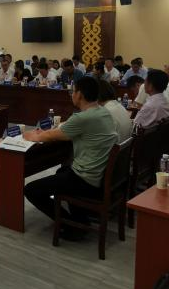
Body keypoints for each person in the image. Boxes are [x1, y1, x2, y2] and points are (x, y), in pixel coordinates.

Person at [22, 77, 117, 232]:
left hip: (85, 179)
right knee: (62, 171)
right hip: (98, 174)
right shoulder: (103, 111)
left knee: (30, 189)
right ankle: (79, 217)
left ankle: (71, 226)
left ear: (79, 95)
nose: (71, 95)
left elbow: (50, 136)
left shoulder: (83, 118)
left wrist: (31, 135)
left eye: (73, 92)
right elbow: (62, 131)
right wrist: (47, 133)